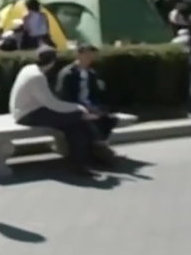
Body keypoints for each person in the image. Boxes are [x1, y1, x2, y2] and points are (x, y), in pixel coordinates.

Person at [9, 47, 104, 175]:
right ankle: (88, 158)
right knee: (78, 118)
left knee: (75, 124)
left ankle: (83, 161)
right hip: (28, 115)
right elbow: (52, 104)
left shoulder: (29, 69)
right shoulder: (37, 77)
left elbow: (50, 104)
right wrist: (79, 108)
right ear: (53, 62)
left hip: (25, 111)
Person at [54, 43, 120, 144]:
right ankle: (97, 144)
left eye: (92, 56)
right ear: (78, 55)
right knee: (89, 121)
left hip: (89, 105)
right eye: (87, 55)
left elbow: (95, 93)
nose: (90, 59)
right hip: (73, 107)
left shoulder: (91, 73)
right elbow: (64, 96)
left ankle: (99, 143)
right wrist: (83, 108)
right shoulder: (68, 74)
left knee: (109, 119)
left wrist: (97, 107)